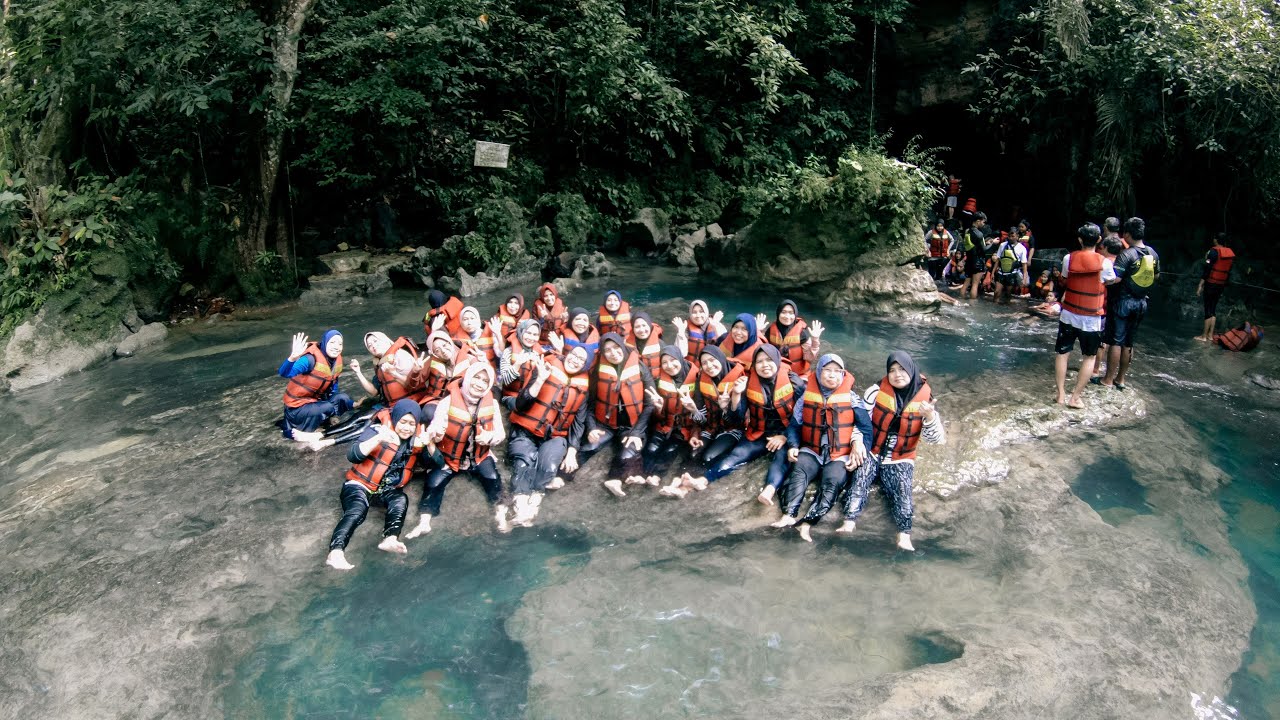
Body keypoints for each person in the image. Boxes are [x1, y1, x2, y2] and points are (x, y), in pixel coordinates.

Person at [840, 352, 944, 550]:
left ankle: (904, 535)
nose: (897, 375)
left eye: (902, 369)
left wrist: (930, 417)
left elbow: (936, 440)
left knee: (902, 492)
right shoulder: (875, 391)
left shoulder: (925, 400)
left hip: (900, 457)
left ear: (912, 371)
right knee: (859, 480)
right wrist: (857, 442)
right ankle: (849, 521)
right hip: (873, 449)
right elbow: (860, 421)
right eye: (892, 371)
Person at [405, 363, 509, 538]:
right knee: (434, 483)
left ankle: (501, 516)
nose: (479, 384)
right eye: (476, 378)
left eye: (485, 381)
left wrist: (489, 437)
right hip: (450, 457)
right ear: (468, 378)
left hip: (479, 456)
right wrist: (436, 434)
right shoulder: (447, 402)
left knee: (493, 479)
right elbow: (435, 429)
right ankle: (424, 523)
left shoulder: (493, 405)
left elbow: (500, 433)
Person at [773, 354, 869, 540]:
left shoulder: (852, 398)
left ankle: (808, 522)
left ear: (843, 375)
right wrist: (793, 445)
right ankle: (788, 515)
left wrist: (860, 445)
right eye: (827, 370)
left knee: (832, 483)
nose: (832, 375)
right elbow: (794, 425)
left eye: (837, 372)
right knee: (799, 473)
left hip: (839, 454)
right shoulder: (805, 398)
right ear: (818, 373)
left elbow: (866, 427)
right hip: (812, 450)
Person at [325, 399, 425, 570]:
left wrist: (431, 444)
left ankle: (390, 538)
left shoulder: (415, 440)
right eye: (403, 422)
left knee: (400, 499)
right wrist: (379, 438)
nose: (407, 428)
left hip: (384, 490)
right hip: (359, 485)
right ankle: (335, 552)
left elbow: (435, 462)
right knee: (357, 511)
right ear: (395, 419)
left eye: (411, 424)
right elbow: (353, 455)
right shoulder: (377, 430)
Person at [506, 344, 593, 525]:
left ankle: (534, 503)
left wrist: (572, 451)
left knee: (549, 465)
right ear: (567, 354)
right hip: (526, 430)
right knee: (525, 460)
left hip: (554, 436)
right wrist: (539, 380)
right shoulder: (545, 367)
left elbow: (578, 422)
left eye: (581, 360)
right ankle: (520, 505)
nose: (575, 360)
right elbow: (521, 404)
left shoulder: (583, 388)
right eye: (574, 355)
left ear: (585, 365)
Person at [562, 333, 656, 497]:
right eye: (608, 350)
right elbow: (590, 404)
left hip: (631, 426)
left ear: (622, 346)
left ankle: (614, 479)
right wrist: (591, 428)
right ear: (603, 353)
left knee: (629, 452)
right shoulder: (598, 370)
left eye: (616, 348)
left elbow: (649, 404)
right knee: (589, 447)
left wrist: (636, 432)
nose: (613, 353)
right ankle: (562, 476)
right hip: (605, 424)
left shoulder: (640, 367)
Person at [716, 343, 811, 504]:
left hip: (787, 433)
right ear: (754, 364)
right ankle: (703, 480)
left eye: (768, 360)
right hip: (759, 432)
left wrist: (785, 436)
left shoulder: (794, 382)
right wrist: (736, 396)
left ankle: (769, 490)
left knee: (782, 458)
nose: (764, 365)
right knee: (736, 455)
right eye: (759, 361)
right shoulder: (747, 383)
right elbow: (736, 419)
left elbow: (805, 417)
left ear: (777, 360)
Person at [661, 346, 745, 497]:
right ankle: (675, 483)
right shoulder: (702, 379)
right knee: (693, 451)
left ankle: (685, 489)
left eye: (712, 360)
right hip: (710, 427)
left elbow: (737, 420)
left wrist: (725, 408)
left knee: (708, 457)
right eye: (704, 363)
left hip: (731, 430)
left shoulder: (739, 381)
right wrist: (693, 410)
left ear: (720, 358)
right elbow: (702, 420)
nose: (709, 366)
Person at [1054, 223, 1114, 409]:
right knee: (1089, 357)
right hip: (1091, 318)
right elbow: (1110, 280)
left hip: (1069, 314)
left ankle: (1061, 395)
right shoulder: (1104, 263)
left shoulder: (1068, 258)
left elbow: (1065, 278)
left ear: (1079, 240)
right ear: (1098, 240)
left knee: (1063, 353)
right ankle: (1075, 398)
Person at [1100, 217, 1159, 390]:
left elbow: (1115, 278)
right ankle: (1121, 379)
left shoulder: (1127, 254)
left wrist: (1102, 281)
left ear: (1126, 234)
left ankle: (1108, 380)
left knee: (1116, 340)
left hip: (1123, 303)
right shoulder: (1152, 253)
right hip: (1141, 303)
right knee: (1129, 342)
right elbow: (1156, 276)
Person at [639, 345, 703, 487]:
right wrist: (659, 408)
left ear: (680, 358)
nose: (669, 366)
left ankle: (656, 476)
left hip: (684, 427)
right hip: (664, 424)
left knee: (670, 449)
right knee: (651, 447)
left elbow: (701, 412)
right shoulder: (658, 378)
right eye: (664, 362)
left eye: (673, 360)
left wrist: (695, 432)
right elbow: (655, 416)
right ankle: (642, 475)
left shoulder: (697, 377)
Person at [279, 330, 353, 442]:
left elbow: (334, 385)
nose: (336, 346)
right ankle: (303, 432)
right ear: (324, 343)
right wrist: (292, 358)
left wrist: (352, 404)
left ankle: (325, 419)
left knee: (342, 398)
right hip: (297, 407)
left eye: (340, 344)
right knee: (327, 407)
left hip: (315, 401)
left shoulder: (335, 361)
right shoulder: (310, 359)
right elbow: (284, 373)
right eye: (332, 342)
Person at [409, 330, 482, 422]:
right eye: (437, 350)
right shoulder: (430, 362)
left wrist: (483, 362)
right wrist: (415, 371)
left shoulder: (470, 359)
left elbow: (484, 380)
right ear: (434, 353)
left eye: (444, 345)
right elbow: (413, 385)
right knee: (428, 414)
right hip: (437, 400)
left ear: (450, 342)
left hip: (462, 401)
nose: (443, 351)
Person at [350, 331, 418, 404]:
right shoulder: (379, 363)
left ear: (384, 340)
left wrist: (393, 373)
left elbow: (414, 385)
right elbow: (374, 392)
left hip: (410, 401)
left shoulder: (400, 355)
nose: (373, 346)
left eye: (375, 341)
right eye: (369, 345)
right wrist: (358, 372)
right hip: (391, 404)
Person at [1092, 236, 1125, 378]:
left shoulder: (1105, 264)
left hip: (1104, 306)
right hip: (1120, 306)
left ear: (1105, 248)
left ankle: (1095, 369)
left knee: (1100, 340)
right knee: (1116, 341)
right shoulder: (1122, 264)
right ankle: (1114, 375)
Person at [1196, 232, 1235, 342]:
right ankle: (1210, 336)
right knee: (1213, 309)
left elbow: (1207, 269)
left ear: (1216, 240)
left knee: (1207, 308)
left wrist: (1200, 285)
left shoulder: (1213, 252)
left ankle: (1203, 336)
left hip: (1211, 283)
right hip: (1220, 284)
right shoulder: (1229, 253)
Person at [763, 300, 818, 376]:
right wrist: (759, 331)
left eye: (791, 313)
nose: (787, 316)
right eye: (783, 312)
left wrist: (815, 340)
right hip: (776, 373)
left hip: (798, 375)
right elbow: (761, 351)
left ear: (795, 314)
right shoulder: (770, 330)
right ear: (778, 313)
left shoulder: (802, 333)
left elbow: (809, 358)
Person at [499, 319, 544, 403]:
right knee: (524, 407)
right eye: (528, 333)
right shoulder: (508, 352)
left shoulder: (538, 352)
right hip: (511, 396)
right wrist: (517, 364)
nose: (531, 338)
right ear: (521, 332)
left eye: (535, 335)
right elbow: (505, 380)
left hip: (531, 394)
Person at [991, 232, 1028, 304]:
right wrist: (993, 272)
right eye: (1009, 236)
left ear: (1017, 236)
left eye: (1013, 236)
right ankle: (994, 307)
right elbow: (998, 259)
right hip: (1001, 272)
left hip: (1012, 274)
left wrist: (1024, 278)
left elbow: (1024, 264)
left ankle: (1006, 309)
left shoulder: (1022, 248)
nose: (1010, 238)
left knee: (1008, 294)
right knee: (996, 292)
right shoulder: (1002, 245)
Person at [959, 213, 988, 300]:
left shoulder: (967, 231)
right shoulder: (979, 234)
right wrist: (993, 243)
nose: (984, 224)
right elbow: (984, 250)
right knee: (975, 284)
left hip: (969, 260)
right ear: (978, 221)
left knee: (966, 283)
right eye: (983, 222)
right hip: (977, 261)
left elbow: (973, 245)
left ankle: (961, 300)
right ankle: (972, 305)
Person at [1016, 220, 1036, 287]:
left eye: (1022, 227)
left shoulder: (1030, 237)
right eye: (1019, 227)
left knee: (1025, 277)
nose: (1020, 228)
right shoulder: (1016, 235)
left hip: (1025, 259)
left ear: (1026, 227)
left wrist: (1029, 259)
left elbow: (1032, 248)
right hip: (1015, 258)